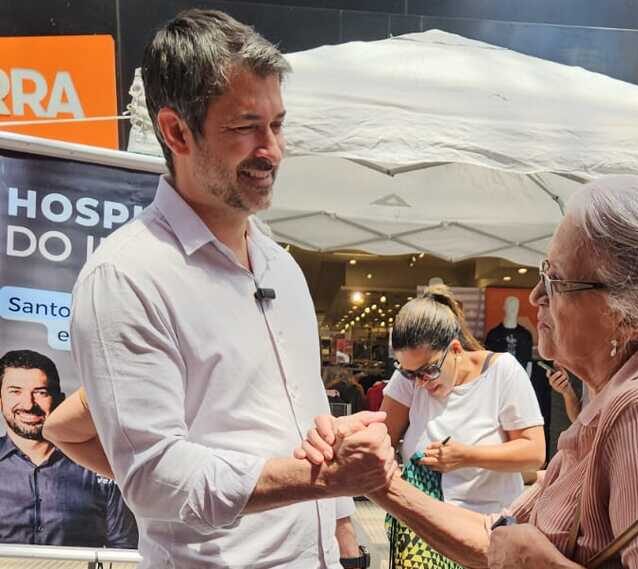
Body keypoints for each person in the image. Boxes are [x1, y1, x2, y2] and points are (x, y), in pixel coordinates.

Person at [68, 9, 394, 569]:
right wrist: (318, 477)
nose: (272, 150)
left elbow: (303, 414)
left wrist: (341, 526)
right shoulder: (127, 277)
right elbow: (152, 476)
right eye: (246, 127)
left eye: (278, 125)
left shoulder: (280, 267)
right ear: (175, 132)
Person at [298, 176, 638, 569]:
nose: (535, 296)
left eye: (556, 280)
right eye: (542, 273)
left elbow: (514, 547)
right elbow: (497, 537)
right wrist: (380, 483)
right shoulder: (631, 396)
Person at [301, 286, 545, 568]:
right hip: (423, 535)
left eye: (428, 371)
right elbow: (383, 435)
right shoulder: (411, 378)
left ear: (455, 349)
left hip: (487, 536)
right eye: (406, 372)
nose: (419, 383)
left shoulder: (502, 372)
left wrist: (465, 456)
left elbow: (534, 452)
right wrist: (347, 435)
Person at [0, 350, 137, 548]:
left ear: (61, 400)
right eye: (15, 391)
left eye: (41, 392)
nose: (29, 404)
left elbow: (125, 552)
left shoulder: (100, 466)